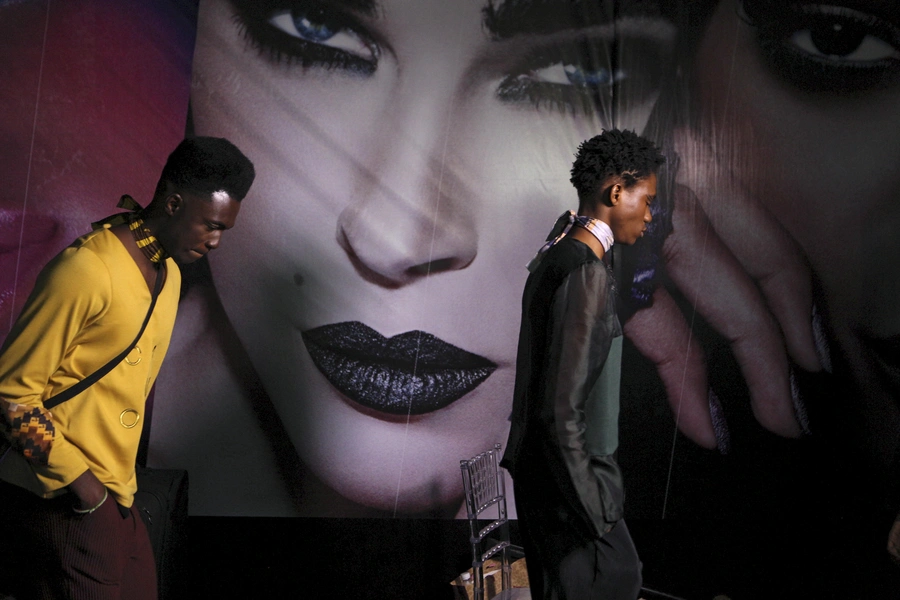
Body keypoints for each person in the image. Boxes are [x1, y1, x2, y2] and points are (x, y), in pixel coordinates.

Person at [0, 136, 254, 599]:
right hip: (66, 501)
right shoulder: (87, 270)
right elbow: (13, 398)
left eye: (224, 231)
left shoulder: (172, 274)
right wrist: (84, 490)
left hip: (119, 497)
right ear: (174, 203)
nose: (216, 241)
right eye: (210, 225)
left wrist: (110, 497)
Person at [502, 129, 664, 599]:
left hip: (550, 481)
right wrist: (594, 511)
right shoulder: (584, 268)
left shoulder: (559, 252)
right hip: (567, 488)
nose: (650, 215)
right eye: (647, 200)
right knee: (618, 577)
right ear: (616, 192)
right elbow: (559, 411)